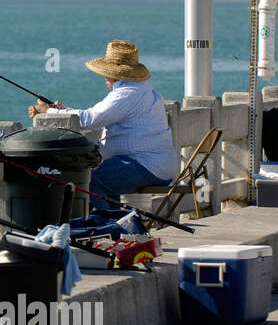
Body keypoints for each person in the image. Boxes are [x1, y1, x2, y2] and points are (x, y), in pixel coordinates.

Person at [28, 39, 177, 206]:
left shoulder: (126, 93)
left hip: (144, 166)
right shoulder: (141, 89)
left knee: (87, 180)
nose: (104, 77)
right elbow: (100, 119)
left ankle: (111, 224)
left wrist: (48, 112)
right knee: (101, 179)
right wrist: (61, 110)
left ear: (113, 73)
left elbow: (88, 120)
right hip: (156, 166)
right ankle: (115, 221)